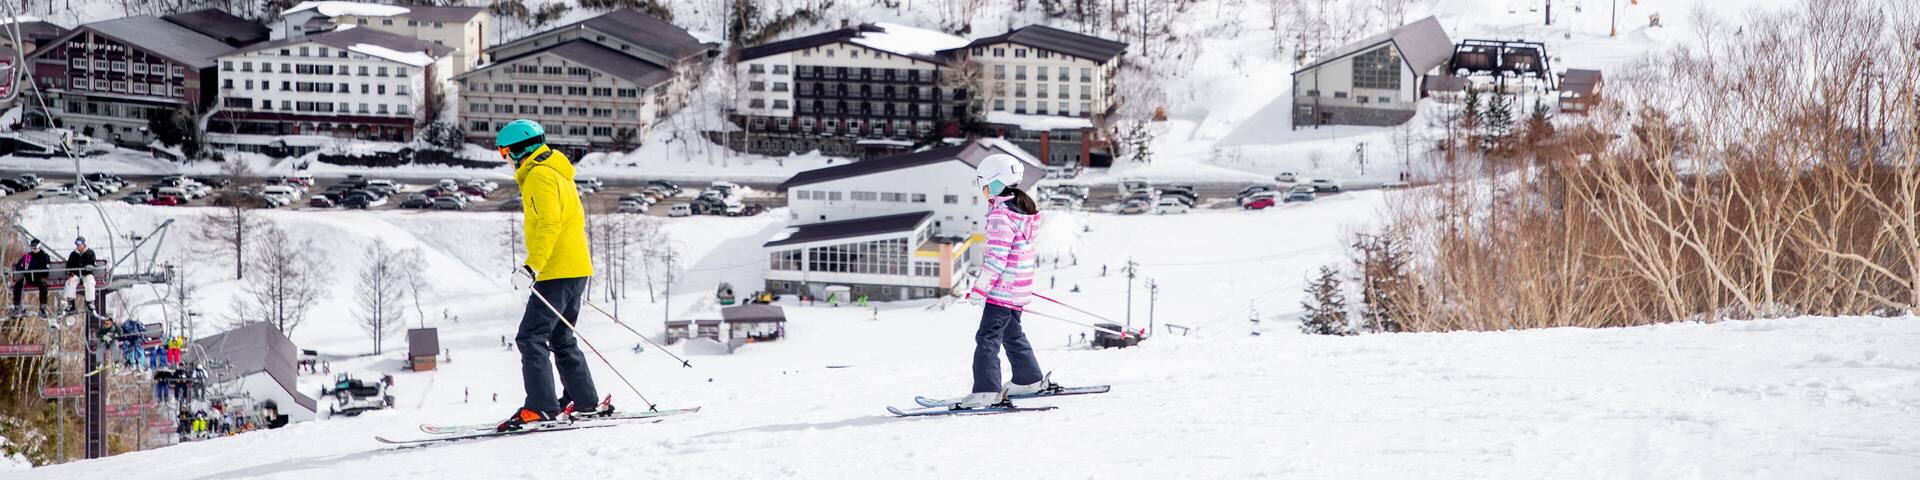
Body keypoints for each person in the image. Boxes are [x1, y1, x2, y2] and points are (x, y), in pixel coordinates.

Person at [493, 119, 609, 432]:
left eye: (504, 152)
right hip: (575, 268)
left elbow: (549, 223)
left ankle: (541, 408)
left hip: (556, 270)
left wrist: (532, 266)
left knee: (530, 337)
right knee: (560, 336)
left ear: (519, 150)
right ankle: (585, 402)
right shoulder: (557, 170)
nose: (505, 159)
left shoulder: (539, 175)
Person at [958, 154, 1054, 408]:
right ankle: (1028, 379)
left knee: (987, 339)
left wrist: (979, 289)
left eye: (983, 183)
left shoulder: (1001, 217)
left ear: (996, 182)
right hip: (1017, 289)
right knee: (1012, 333)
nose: (982, 189)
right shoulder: (1021, 212)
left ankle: (986, 391)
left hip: (1002, 291)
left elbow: (996, 260)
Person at [11, 239, 52, 317]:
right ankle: (17, 308)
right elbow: (18, 266)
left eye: (35, 248)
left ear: (39, 247)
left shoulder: (44, 256)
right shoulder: (27, 256)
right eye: (32, 248)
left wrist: (37, 272)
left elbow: (46, 269)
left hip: (39, 278)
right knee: (18, 285)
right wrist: (22, 266)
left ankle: (42, 309)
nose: (33, 250)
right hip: (28, 277)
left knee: (43, 285)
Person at [61, 237, 98, 315]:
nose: (78, 246)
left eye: (80, 244)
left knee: (90, 282)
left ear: (84, 244)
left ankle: (90, 302)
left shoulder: (90, 253)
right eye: (77, 244)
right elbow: (69, 266)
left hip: (86, 273)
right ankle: (71, 303)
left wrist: (91, 266)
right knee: (70, 282)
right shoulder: (73, 254)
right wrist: (69, 273)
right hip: (76, 274)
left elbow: (94, 264)